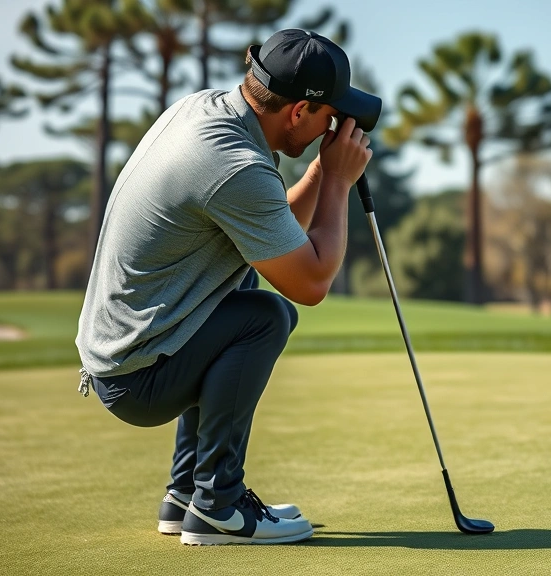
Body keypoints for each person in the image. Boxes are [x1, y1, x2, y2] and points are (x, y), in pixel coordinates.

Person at [75, 28, 377, 546]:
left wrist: (319, 171)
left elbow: (273, 233)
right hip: (138, 377)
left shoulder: (205, 110)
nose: (338, 125)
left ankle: (185, 493)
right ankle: (218, 504)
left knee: (233, 301)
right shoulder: (234, 167)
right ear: (299, 111)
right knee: (264, 316)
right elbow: (311, 281)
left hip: (129, 353)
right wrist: (337, 182)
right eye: (331, 114)